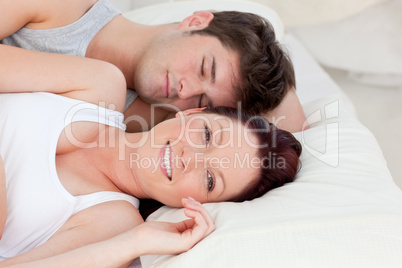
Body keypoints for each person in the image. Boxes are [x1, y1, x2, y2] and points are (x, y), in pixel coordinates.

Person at [0, 54, 302, 266]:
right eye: (207, 136)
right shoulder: (99, 84)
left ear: (200, 204)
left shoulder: (114, 224)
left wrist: (134, 242)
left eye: (210, 179)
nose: (190, 159)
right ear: (192, 113)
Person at [0, 0, 306, 133]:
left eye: (201, 101)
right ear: (196, 21)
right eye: (204, 68)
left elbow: (288, 129)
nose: (186, 90)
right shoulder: (63, 8)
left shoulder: (147, 123)